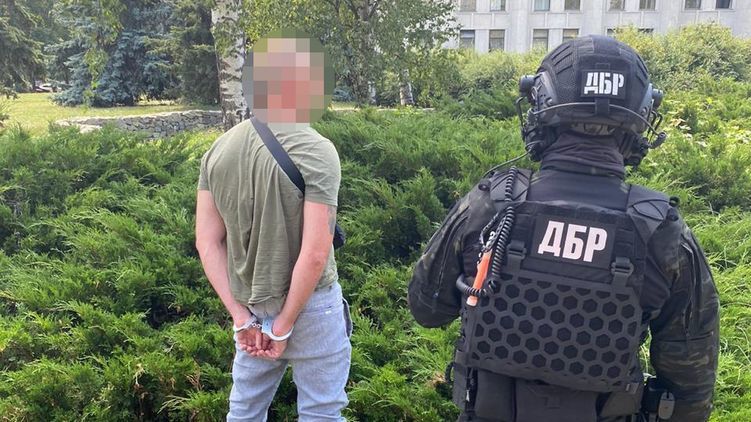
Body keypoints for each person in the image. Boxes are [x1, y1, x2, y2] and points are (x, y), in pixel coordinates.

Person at [408, 35, 718, 422]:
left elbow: (427, 308)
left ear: (541, 106)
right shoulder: (662, 231)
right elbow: (690, 381)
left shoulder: (491, 205)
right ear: (639, 120)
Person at [195, 30, 351, 421]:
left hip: (250, 308)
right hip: (311, 309)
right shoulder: (318, 150)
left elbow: (207, 243)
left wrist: (241, 318)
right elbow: (315, 254)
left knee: (244, 412)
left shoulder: (217, 151)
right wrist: (283, 326)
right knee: (321, 413)